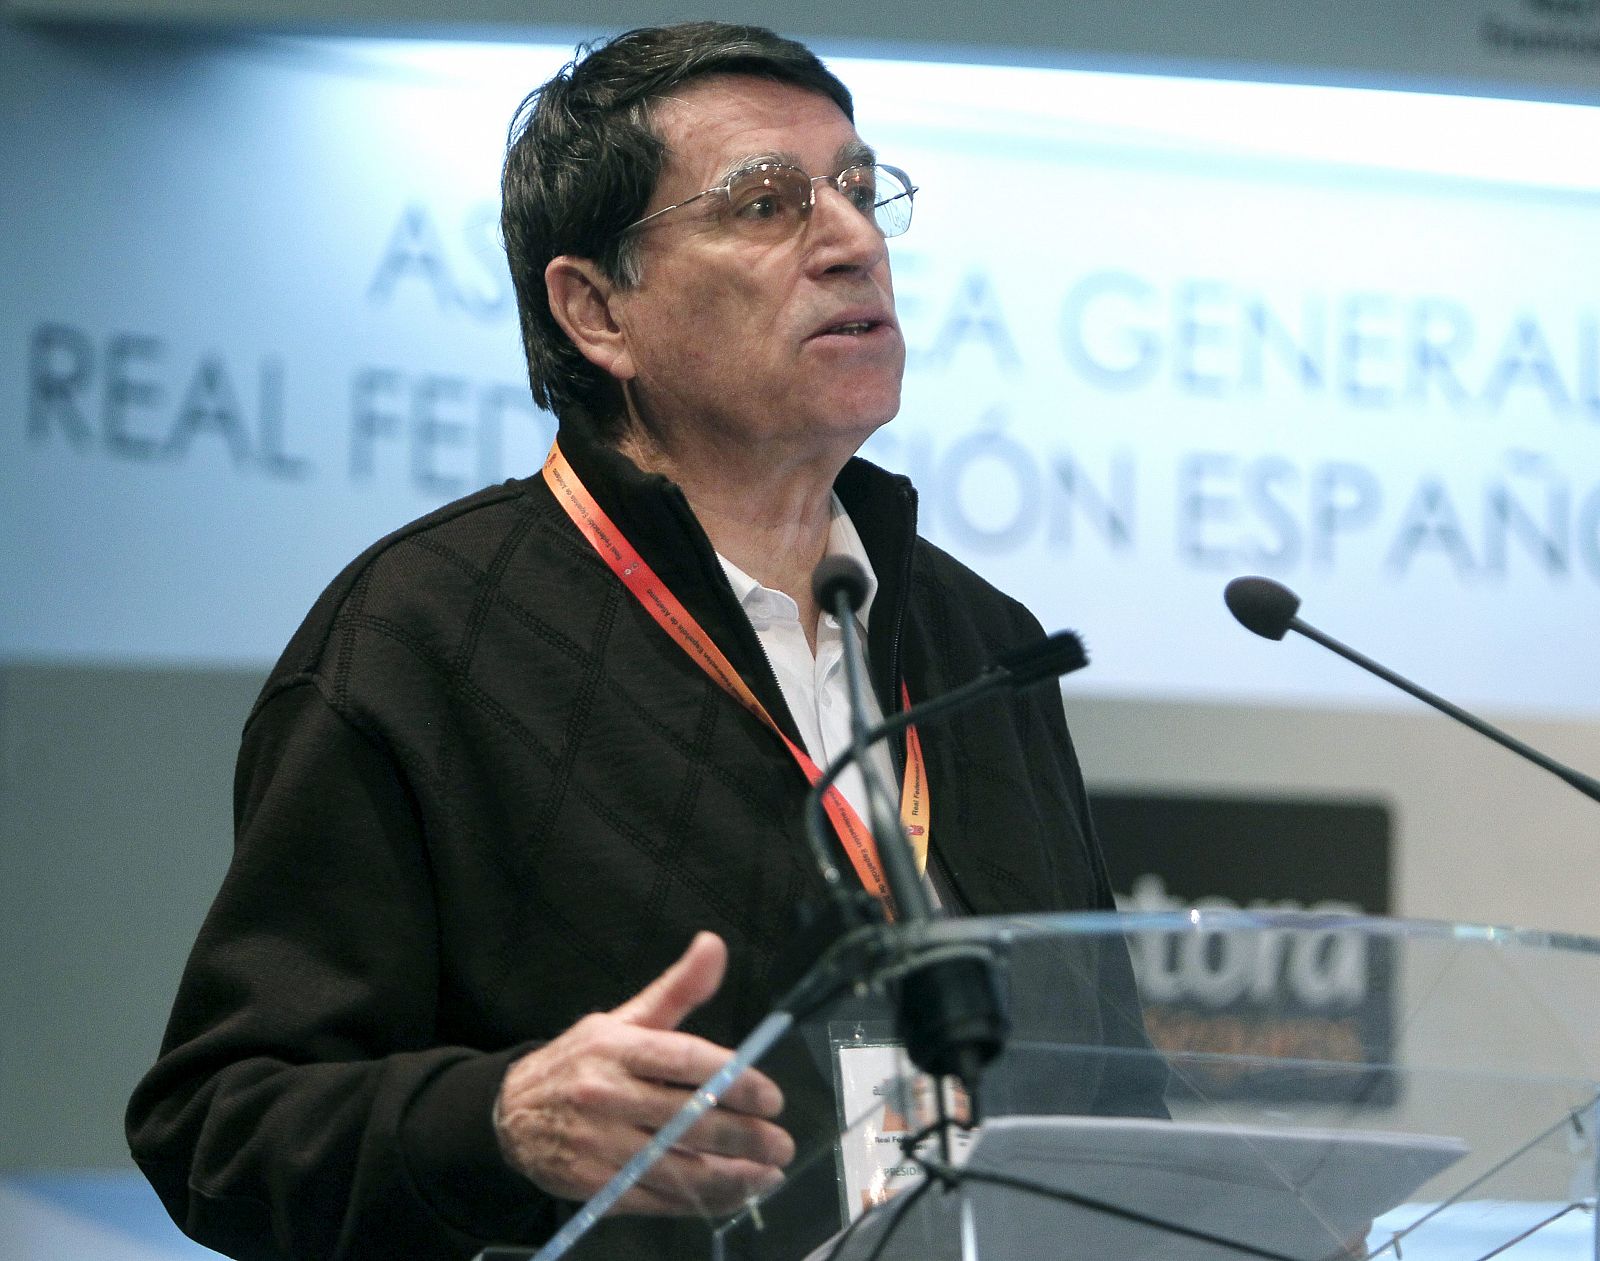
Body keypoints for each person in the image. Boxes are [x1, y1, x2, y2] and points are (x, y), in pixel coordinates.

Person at [127, 21, 1147, 1261]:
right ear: (596, 308)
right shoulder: (423, 635)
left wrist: (1268, 1208)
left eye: (860, 190)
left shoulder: (983, 640)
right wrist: (499, 1121)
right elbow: (220, 1126)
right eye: (765, 203)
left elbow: (1113, 1086)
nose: (851, 241)